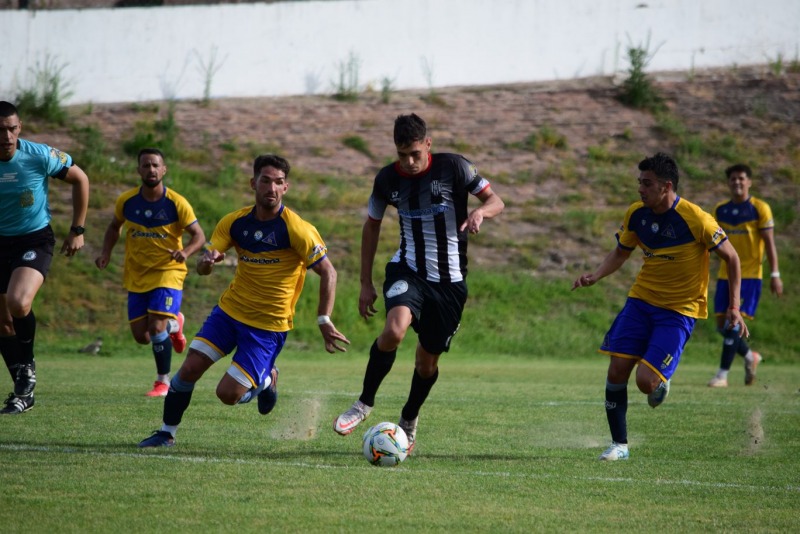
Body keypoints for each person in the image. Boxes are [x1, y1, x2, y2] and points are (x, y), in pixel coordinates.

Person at [138, 154, 349, 447]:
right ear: (254, 183)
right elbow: (202, 265)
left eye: (278, 183)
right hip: (229, 313)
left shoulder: (297, 228)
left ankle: (266, 380)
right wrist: (207, 262)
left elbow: (329, 272)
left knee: (227, 395)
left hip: (268, 327)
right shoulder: (235, 222)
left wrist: (324, 319)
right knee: (188, 370)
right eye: (265, 181)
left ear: (285, 188)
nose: (271, 188)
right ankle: (166, 433)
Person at [332, 113, 504, 453]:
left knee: (427, 363)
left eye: (415, 153)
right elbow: (372, 226)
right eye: (401, 155)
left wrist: (482, 212)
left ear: (428, 145)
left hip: (450, 284)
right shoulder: (386, 180)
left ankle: (409, 419)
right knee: (394, 330)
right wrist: (365, 283)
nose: (409, 162)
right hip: (407, 269)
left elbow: (496, 200)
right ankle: (363, 404)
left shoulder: (455, 167)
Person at [572, 152, 748, 461]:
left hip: (679, 311)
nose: (640, 189)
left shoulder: (697, 220)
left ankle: (659, 380)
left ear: (667, 186)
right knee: (616, 369)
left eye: (647, 184)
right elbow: (621, 252)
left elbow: (732, 259)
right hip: (640, 302)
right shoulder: (637, 214)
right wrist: (595, 276)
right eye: (639, 182)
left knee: (645, 382)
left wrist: (734, 307)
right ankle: (620, 445)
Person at [0, 100, 89, 415]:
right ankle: (23, 391)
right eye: (0, 130)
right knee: (2, 322)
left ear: (19, 128)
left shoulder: (39, 156)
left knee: (18, 302)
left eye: (12, 129)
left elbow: (80, 179)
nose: (7, 136)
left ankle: (27, 365)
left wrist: (77, 229)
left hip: (33, 239)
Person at [95, 148, 206, 397]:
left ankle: (163, 382)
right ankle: (175, 325)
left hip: (168, 272)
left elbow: (199, 236)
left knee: (156, 328)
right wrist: (105, 253)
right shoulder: (127, 201)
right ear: (139, 170)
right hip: (137, 274)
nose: (151, 170)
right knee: (142, 336)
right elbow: (114, 227)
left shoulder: (177, 203)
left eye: (155, 165)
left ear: (164, 170)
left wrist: (186, 253)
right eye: (146, 165)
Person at [707, 164, 782, 388]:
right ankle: (750, 357)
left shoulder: (760, 208)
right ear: (728, 183)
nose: (737, 182)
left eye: (741, 178)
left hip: (749, 276)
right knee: (721, 325)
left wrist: (775, 274)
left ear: (749, 182)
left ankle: (722, 375)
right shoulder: (720, 210)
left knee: (733, 324)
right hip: (724, 275)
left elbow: (769, 243)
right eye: (733, 179)